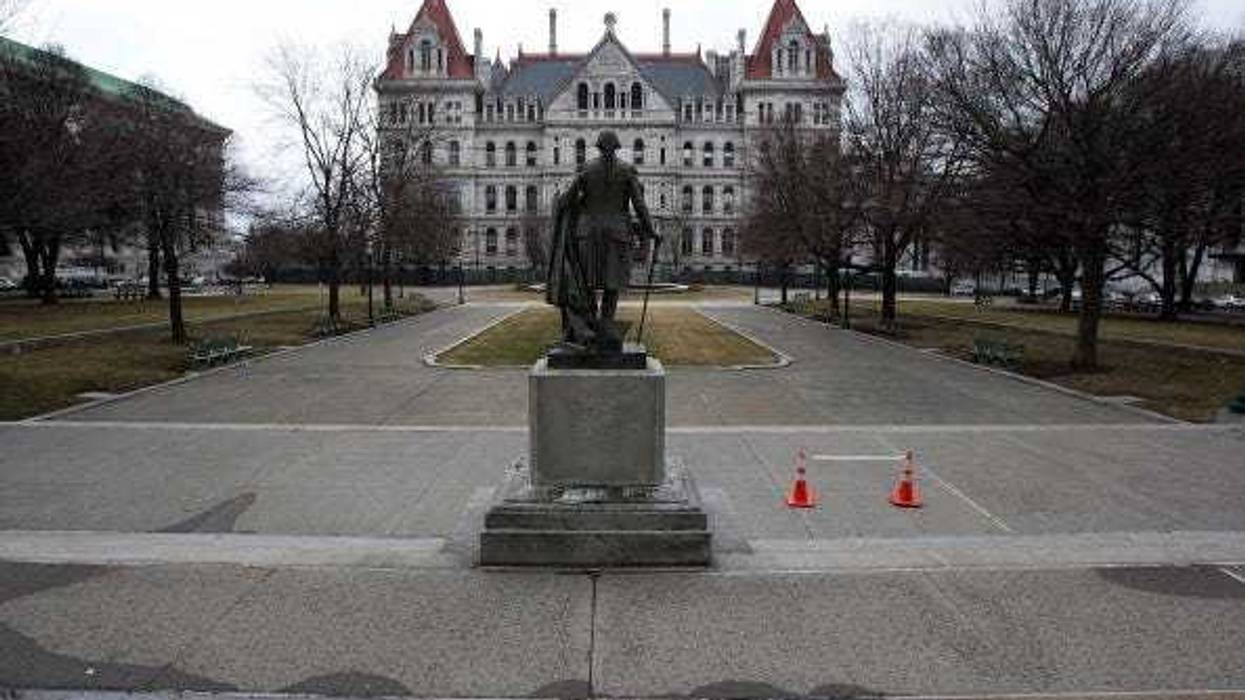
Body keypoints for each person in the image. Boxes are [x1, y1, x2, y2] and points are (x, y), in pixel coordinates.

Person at [547, 130, 660, 352]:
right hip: (617, 234)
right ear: (616, 147)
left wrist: (560, 204)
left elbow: (567, 200)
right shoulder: (627, 171)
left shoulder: (586, 170)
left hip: (588, 234)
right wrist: (650, 230)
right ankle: (606, 324)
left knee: (586, 282)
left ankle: (590, 326)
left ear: (598, 147)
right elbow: (639, 205)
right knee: (612, 283)